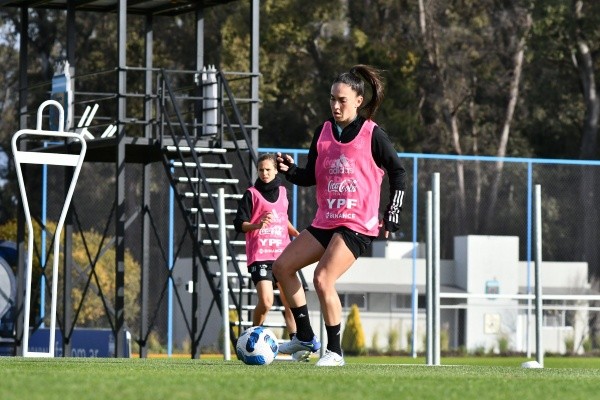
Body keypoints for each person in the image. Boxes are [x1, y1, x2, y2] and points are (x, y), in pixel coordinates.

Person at [273, 64, 406, 366]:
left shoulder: (374, 134)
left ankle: (334, 352)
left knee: (322, 278)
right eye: (332, 98)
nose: (335, 105)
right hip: (326, 220)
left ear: (358, 100)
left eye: (342, 99)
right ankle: (305, 337)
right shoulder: (322, 132)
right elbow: (310, 176)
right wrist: (290, 171)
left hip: (357, 225)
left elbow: (398, 172)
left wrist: (393, 210)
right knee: (282, 267)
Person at [233, 153, 309, 362]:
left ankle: (297, 344)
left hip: (283, 255)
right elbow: (239, 223)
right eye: (261, 170)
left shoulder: (284, 192)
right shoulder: (251, 194)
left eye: (268, 169)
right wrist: (257, 225)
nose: (264, 173)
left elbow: (282, 220)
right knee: (266, 302)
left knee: (290, 302)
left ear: (276, 170)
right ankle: (252, 340)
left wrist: (298, 234)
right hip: (260, 256)